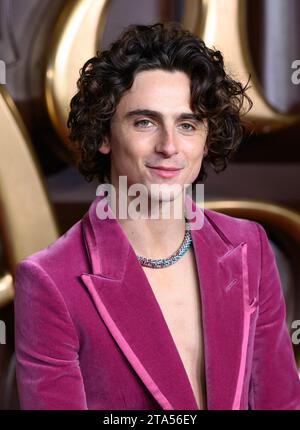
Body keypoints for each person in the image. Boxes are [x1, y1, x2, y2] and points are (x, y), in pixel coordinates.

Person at [14, 22, 300, 410]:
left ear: (205, 138)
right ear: (103, 135)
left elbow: (279, 403)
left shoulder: (249, 245)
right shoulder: (49, 280)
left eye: (187, 124)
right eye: (145, 122)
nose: (169, 146)